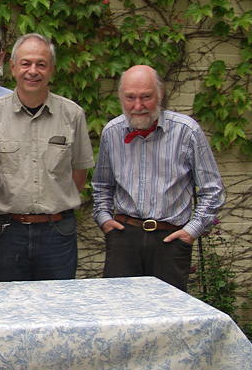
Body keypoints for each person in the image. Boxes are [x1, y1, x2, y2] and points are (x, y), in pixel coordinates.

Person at [0, 33, 94, 282]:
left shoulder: (73, 115)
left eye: (41, 64)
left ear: (52, 69)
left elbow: (79, 175)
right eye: (25, 63)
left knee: (58, 302)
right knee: (6, 303)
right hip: (6, 234)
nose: (33, 71)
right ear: (13, 67)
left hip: (57, 234)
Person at [92, 64, 225, 291]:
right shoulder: (111, 132)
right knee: (120, 307)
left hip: (171, 240)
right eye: (130, 97)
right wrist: (105, 220)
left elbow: (212, 190)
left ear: (160, 95)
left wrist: (191, 231)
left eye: (146, 97)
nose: (138, 106)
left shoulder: (187, 131)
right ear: (120, 97)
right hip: (124, 238)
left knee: (169, 309)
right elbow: (102, 185)